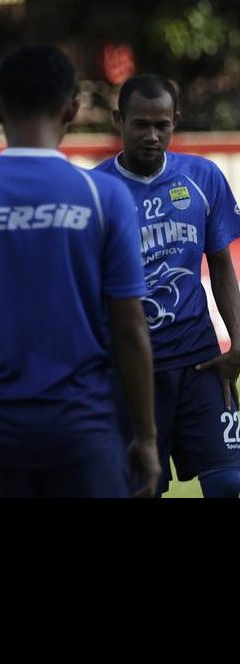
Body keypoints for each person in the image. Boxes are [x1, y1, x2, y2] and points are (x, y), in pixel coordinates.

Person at [0, 44, 160, 498]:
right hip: (85, 433)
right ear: (72, 108)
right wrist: (145, 437)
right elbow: (130, 327)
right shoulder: (105, 197)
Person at [94, 74, 240, 497]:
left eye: (163, 125)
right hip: (130, 371)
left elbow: (222, 268)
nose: (153, 135)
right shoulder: (95, 191)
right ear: (119, 120)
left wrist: (238, 340)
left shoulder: (203, 177)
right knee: (142, 488)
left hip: (200, 361)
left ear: (175, 120)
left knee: (231, 482)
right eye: (141, 124)